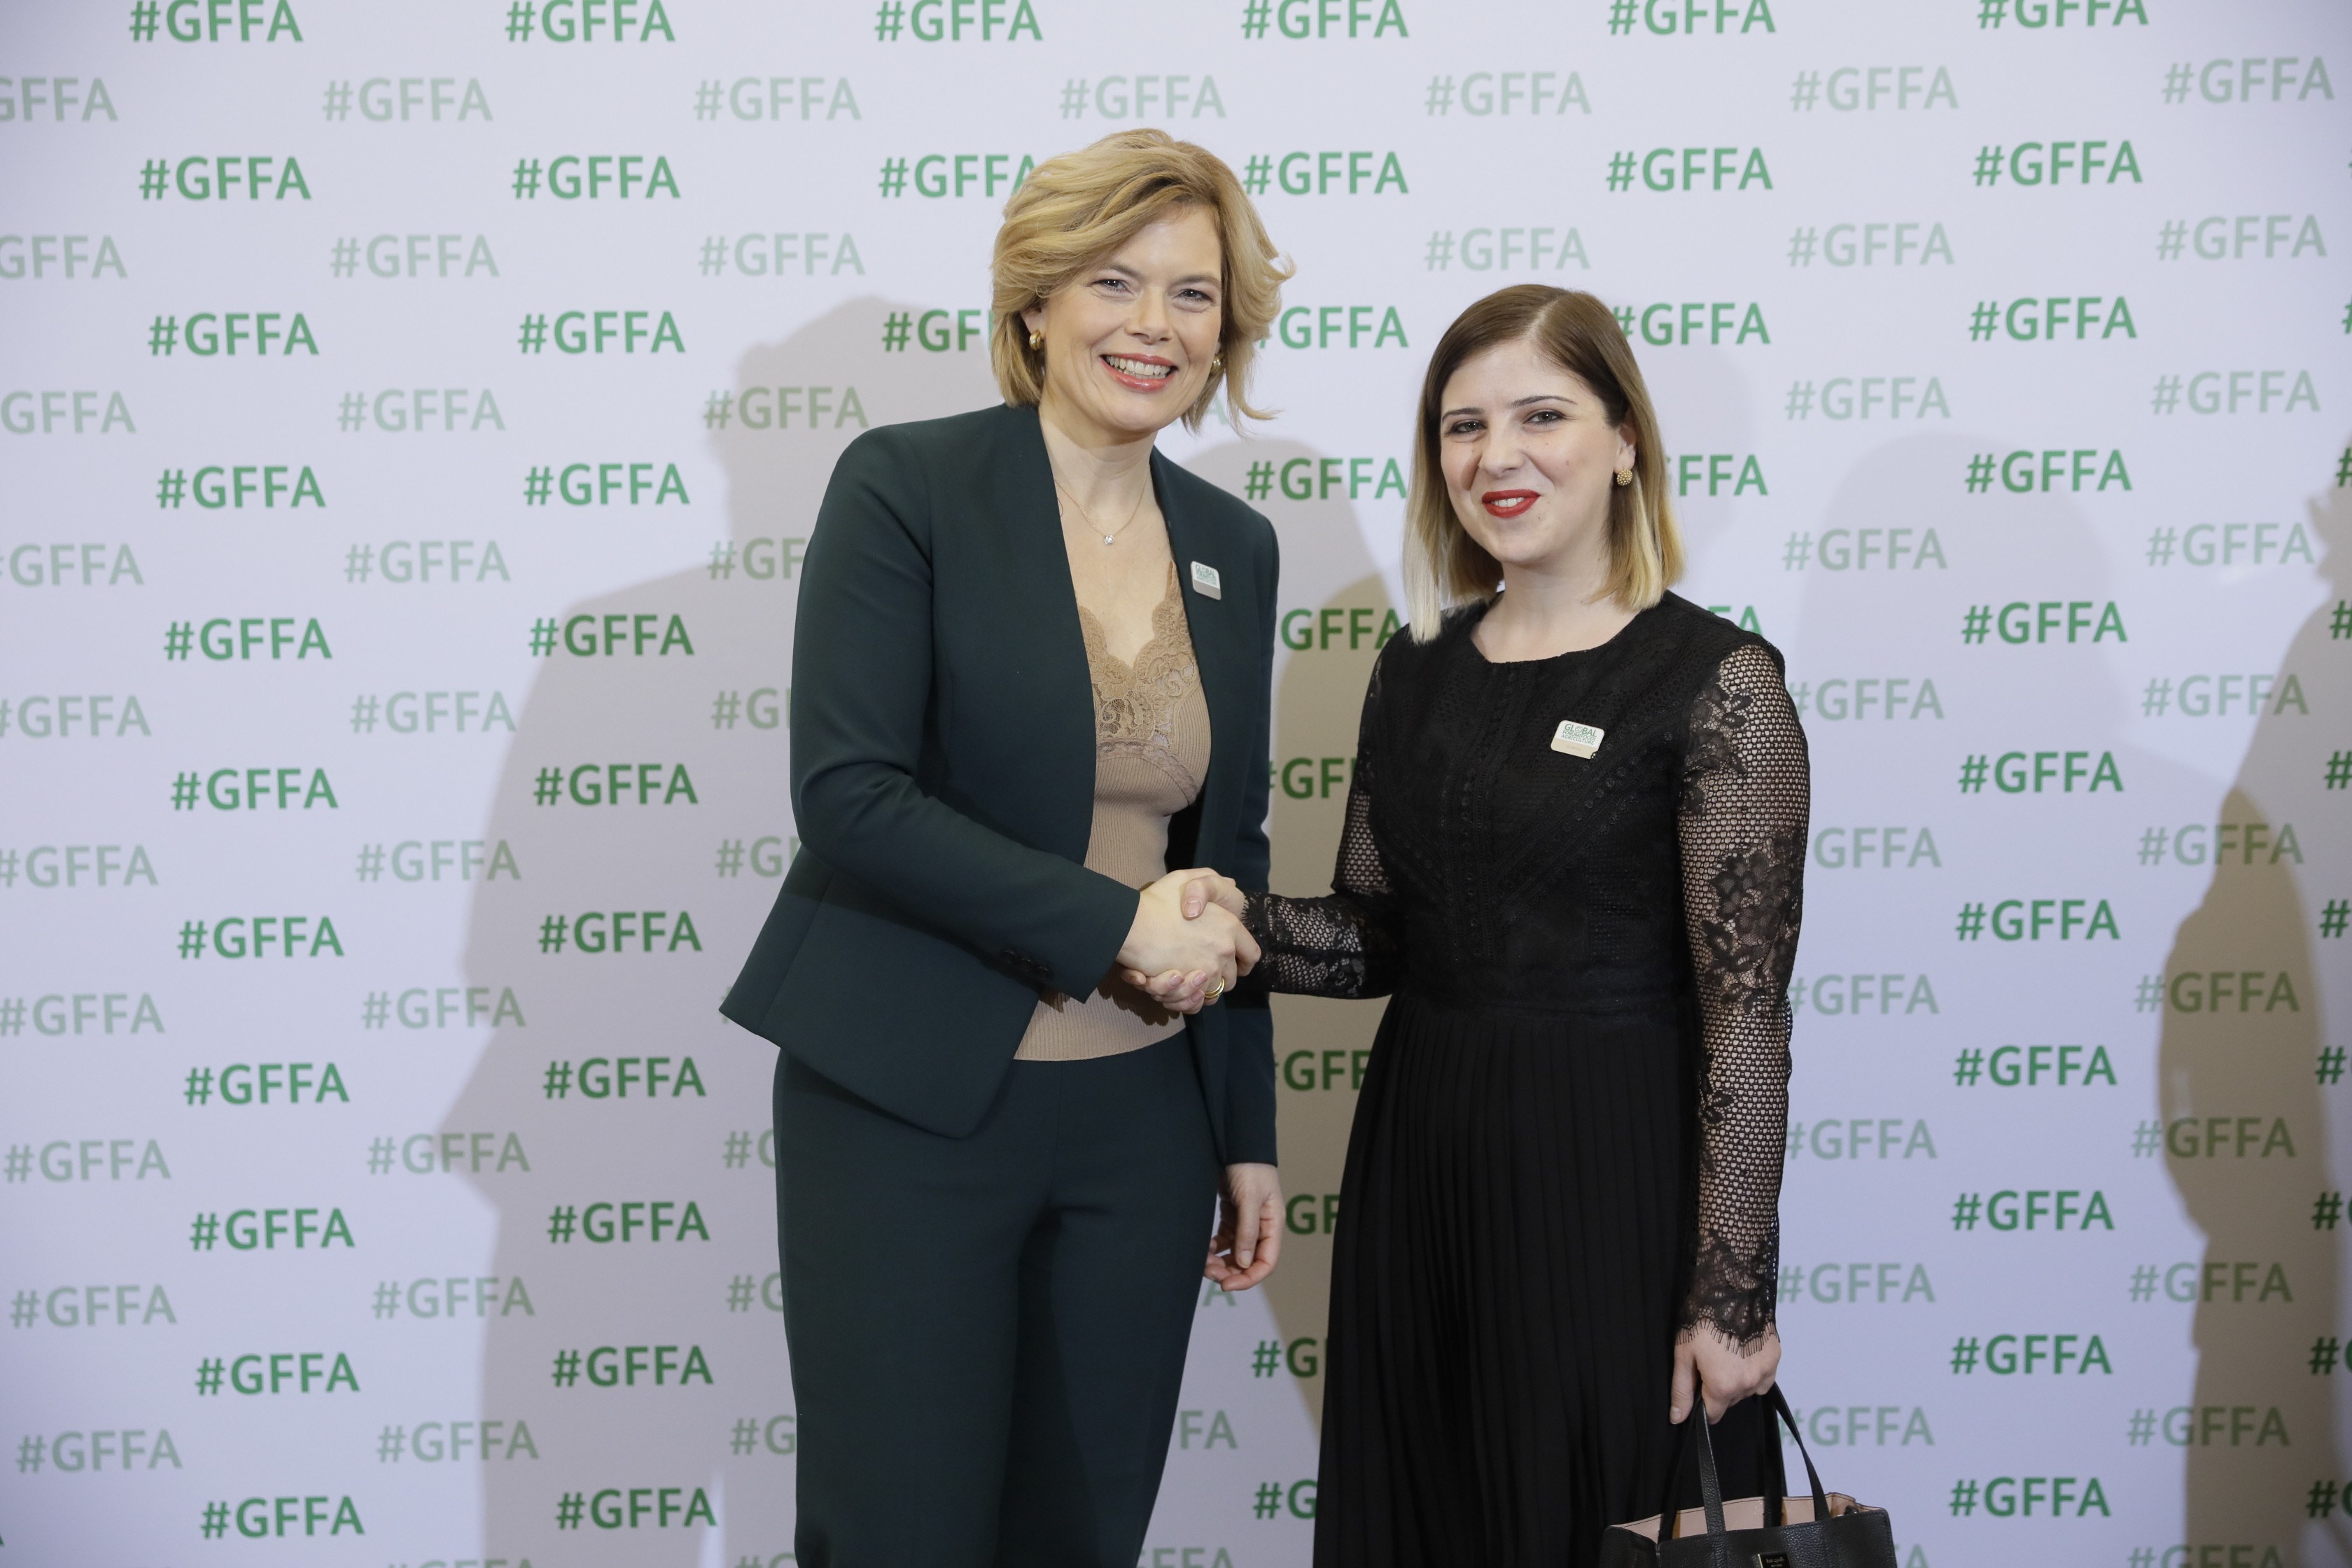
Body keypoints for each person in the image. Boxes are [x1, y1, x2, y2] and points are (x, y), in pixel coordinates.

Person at [1140, 284, 1808, 1565]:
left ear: (1625, 442)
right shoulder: (1415, 667)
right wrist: (1233, 924)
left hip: (1612, 1177)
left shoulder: (1719, 683)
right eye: (1464, 426)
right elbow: (1379, 932)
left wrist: (1733, 1298)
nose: (1498, 455)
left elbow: (1748, 1023)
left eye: (1541, 416)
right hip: (1424, 1166)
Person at [718, 129, 1292, 1567]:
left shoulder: (1236, 545)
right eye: (1115, 281)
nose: (1154, 325)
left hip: (1144, 1127)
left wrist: (1247, 1133)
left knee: (1083, 1535)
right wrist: (1113, 926)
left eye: (1193, 294)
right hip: (910, 1106)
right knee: (898, 1532)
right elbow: (850, 793)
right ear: (1036, 302)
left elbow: (1228, 849)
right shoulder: (907, 484)